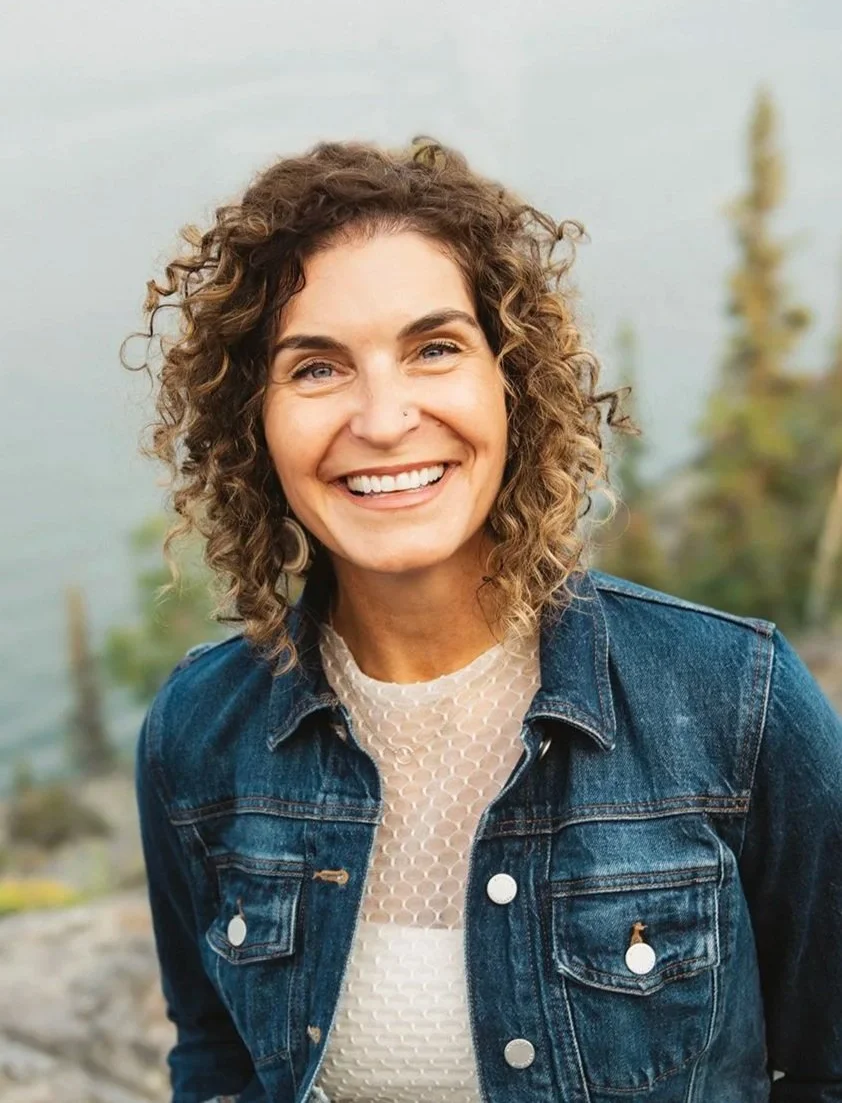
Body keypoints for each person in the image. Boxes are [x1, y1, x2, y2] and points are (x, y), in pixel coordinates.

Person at [129, 137, 842, 1103]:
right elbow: (215, 1065)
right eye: (315, 368)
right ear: (251, 421)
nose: (383, 420)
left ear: (510, 383)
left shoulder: (739, 703)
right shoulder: (198, 737)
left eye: (434, 349)